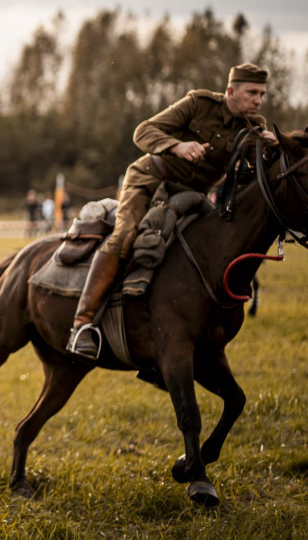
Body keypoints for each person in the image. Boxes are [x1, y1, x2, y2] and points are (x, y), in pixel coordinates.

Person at [67, 63, 274, 359]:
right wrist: (176, 146)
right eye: (252, 93)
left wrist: (272, 148)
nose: (258, 100)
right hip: (150, 180)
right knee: (125, 236)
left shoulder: (254, 130)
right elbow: (143, 131)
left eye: (262, 94)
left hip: (190, 197)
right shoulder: (198, 104)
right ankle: (82, 325)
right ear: (231, 91)